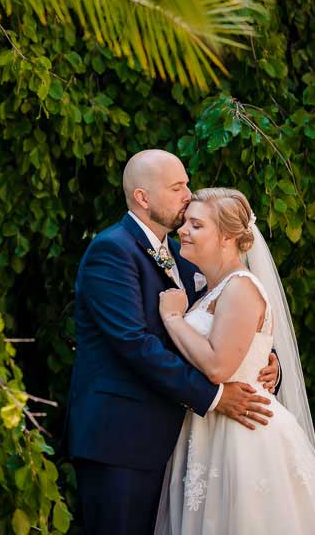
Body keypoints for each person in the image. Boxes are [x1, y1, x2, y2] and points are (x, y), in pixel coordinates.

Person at [65, 151, 280, 535]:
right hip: (121, 440)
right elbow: (134, 344)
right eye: (177, 187)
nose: (188, 194)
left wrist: (263, 358)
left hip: (175, 440)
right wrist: (214, 396)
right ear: (143, 198)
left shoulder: (183, 255)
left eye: (187, 183)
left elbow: (225, 314)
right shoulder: (112, 251)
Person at [154, 187, 315, 534]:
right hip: (208, 427)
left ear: (227, 238)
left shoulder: (240, 287)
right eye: (186, 223)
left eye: (196, 225)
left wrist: (173, 319)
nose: (183, 231)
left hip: (242, 432)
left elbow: (218, 366)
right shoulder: (211, 289)